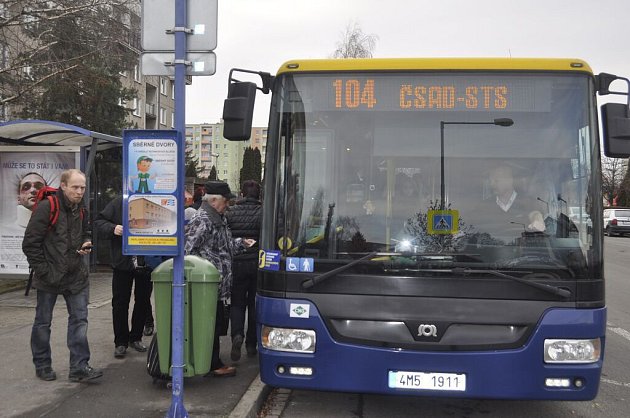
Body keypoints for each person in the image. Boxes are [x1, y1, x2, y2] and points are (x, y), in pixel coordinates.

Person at [22, 169, 103, 382]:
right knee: (43, 322)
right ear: (63, 185)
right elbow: (30, 244)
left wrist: (85, 242)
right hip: (49, 275)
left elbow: (85, 231)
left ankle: (79, 367)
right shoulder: (47, 207)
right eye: (75, 187)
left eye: (82, 188)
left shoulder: (81, 208)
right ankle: (42, 365)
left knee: (79, 320)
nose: (79, 191)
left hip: (75, 274)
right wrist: (45, 271)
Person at [184, 181, 256, 377]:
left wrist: (241, 243)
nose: (228, 205)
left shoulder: (218, 218)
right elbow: (188, 250)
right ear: (214, 200)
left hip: (216, 283)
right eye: (226, 201)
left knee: (215, 324)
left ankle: (213, 362)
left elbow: (223, 248)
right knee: (210, 325)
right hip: (205, 284)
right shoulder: (204, 219)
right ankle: (212, 363)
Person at [94, 195, 151, 358]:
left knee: (143, 301)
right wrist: (113, 228)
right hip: (122, 262)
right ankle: (120, 342)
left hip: (145, 262)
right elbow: (99, 222)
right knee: (120, 303)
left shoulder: (154, 201)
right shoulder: (120, 202)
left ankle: (136, 337)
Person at [226, 180, 262, 361]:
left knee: (237, 303)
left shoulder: (231, 212)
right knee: (254, 304)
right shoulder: (264, 213)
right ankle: (251, 345)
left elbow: (226, 237)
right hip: (257, 264)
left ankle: (237, 335)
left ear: (241, 193)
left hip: (237, 263)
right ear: (259, 195)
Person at [469, 164, 545, 242]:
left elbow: (535, 213)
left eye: (496, 180)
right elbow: (470, 224)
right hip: (491, 250)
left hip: (522, 250)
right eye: (490, 181)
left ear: (509, 180)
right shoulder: (484, 206)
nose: (492, 184)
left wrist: (537, 220)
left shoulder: (526, 201)